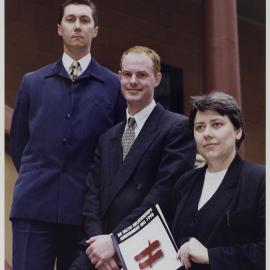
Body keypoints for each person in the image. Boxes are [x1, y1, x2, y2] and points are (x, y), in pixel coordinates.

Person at [9, 1, 125, 269]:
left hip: (84, 216)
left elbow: (115, 150)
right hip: (33, 208)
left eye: (85, 20)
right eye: (71, 19)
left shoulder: (112, 86)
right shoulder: (33, 83)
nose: (77, 26)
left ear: (95, 30)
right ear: (59, 28)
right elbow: (19, 145)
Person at [69, 46, 196, 269]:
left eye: (142, 75)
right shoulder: (108, 137)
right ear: (119, 77)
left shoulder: (177, 128)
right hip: (100, 250)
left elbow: (163, 193)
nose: (133, 81)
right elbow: (92, 196)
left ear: (157, 79)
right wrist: (100, 244)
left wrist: (117, 241)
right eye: (127, 74)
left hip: (145, 248)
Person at [172, 92, 265, 270]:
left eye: (216, 124)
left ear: (238, 131)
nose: (207, 134)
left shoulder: (260, 180)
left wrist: (211, 256)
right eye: (199, 127)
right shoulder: (185, 182)